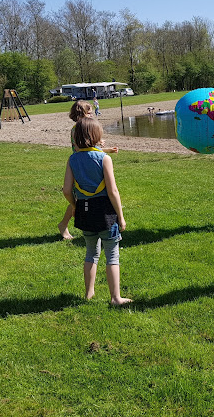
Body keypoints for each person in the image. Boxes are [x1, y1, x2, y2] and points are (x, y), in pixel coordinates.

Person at [62, 117, 132, 305]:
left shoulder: (72, 159)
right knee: (112, 255)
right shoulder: (104, 158)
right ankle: (115, 298)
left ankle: (89, 293)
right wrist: (121, 216)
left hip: (84, 210)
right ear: (96, 136)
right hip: (105, 212)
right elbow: (112, 191)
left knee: (91, 253)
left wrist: (75, 206)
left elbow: (67, 190)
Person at [58, 100, 118, 240]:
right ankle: (64, 224)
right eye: (89, 113)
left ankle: (83, 224)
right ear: (80, 114)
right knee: (80, 198)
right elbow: (84, 150)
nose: (91, 115)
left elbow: (90, 149)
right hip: (81, 166)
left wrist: (106, 149)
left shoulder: (82, 128)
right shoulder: (77, 129)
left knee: (83, 198)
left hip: (84, 163)